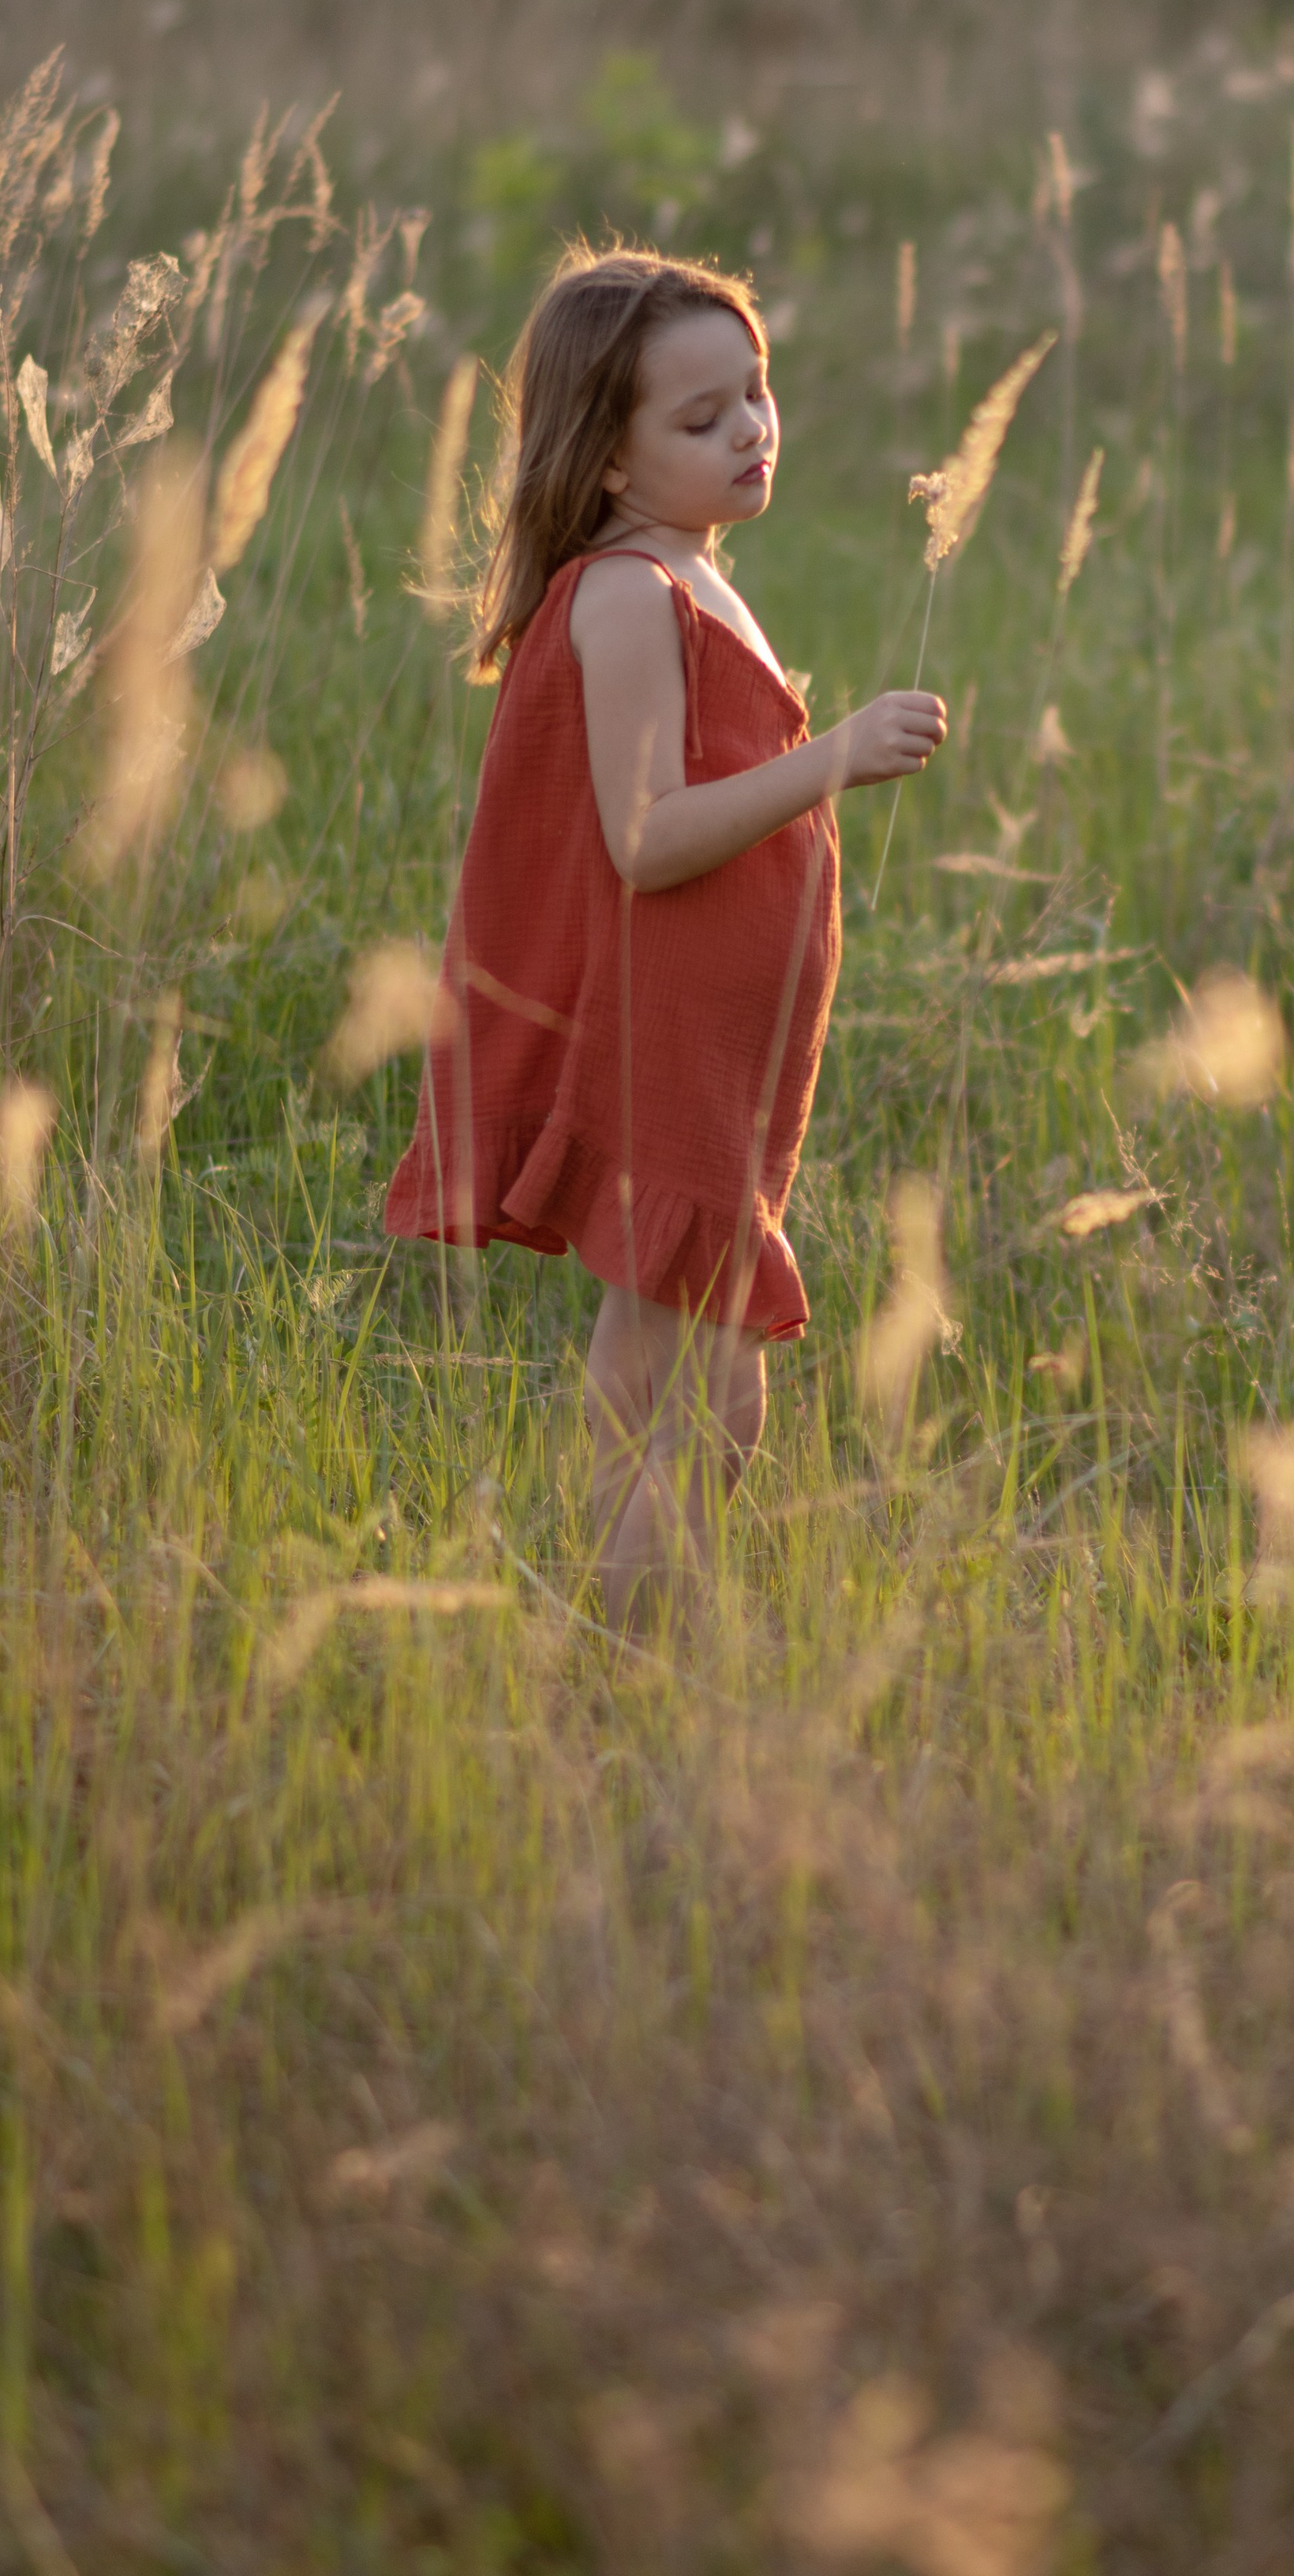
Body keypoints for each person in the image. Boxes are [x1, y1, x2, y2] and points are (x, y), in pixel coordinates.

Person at [384, 245, 947, 1627]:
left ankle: (592, 1642)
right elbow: (645, 837)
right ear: (608, 462)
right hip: (669, 1042)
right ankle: (627, 1658)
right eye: (701, 418)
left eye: (756, 392)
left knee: (649, 1371)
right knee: (715, 1396)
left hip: (716, 1045)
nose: (750, 428)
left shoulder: (686, 571)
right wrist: (834, 757)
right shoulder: (632, 593)